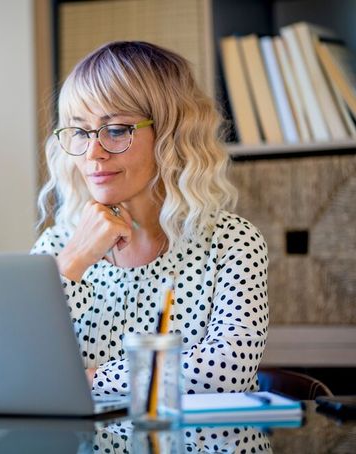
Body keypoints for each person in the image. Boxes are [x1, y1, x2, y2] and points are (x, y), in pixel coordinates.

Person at [31, 41, 268, 395]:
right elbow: (14, 358)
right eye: (80, 132)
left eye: (116, 130)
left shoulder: (232, 242)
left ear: (170, 136)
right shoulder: (57, 245)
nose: (93, 152)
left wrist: (92, 380)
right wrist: (73, 261)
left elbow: (226, 370)